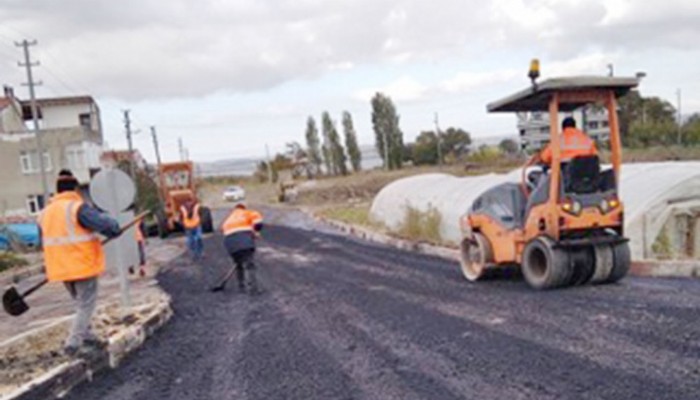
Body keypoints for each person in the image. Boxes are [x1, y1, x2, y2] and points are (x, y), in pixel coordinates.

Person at [39, 169, 121, 356]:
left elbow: (43, 242)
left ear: (57, 190)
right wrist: (115, 228)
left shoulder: (45, 213)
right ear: (75, 188)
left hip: (60, 268)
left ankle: (88, 336)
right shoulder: (77, 207)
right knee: (86, 305)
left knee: (80, 304)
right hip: (81, 265)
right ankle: (73, 343)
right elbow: (105, 225)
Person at [221, 203, 264, 294]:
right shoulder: (247, 213)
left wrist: (251, 233)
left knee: (238, 264)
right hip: (244, 242)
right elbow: (258, 221)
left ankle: (241, 287)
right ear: (243, 208)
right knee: (249, 265)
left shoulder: (228, 220)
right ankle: (253, 289)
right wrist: (256, 231)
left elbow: (229, 232)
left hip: (230, 244)